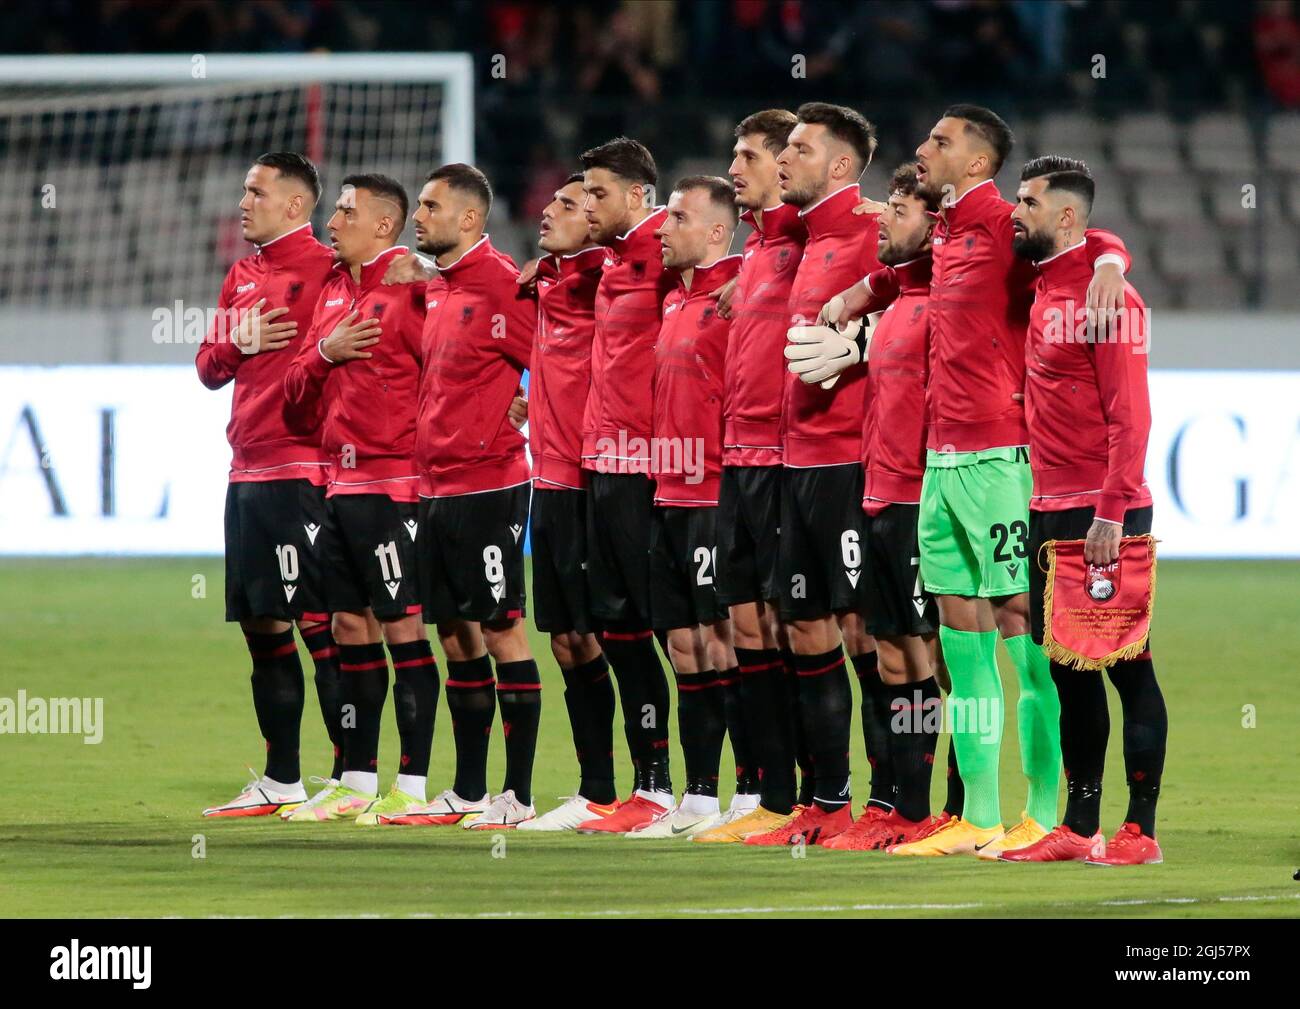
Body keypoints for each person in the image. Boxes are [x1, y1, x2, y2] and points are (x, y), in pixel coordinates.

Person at [998, 156, 1166, 866]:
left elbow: (1132, 416)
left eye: (1029, 202)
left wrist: (1110, 509)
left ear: (1066, 215)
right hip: (1047, 507)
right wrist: (1107, 252)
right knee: (1069, 671)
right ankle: (1081, 824)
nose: (1016, 211)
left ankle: (1142, 830)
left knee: (1130, 665)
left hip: (1102, 513)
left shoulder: (1111, 302)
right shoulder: (1046, 284)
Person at [380, 164, 542, 829]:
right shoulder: (439, 289)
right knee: (454, 633)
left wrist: (534, 405)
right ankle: (469, 789)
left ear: (469, 219)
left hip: (490, 485)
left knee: (503, 628)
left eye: (430, 206)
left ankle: (520, 795)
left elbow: (557, 356)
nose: (418, 217)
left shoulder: (502, 283)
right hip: (435, 487)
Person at [743, 103, 882, 848]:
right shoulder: (796, 236)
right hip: (792, 460)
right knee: (802, 627)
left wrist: (864, 340)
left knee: (870, 631)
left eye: (796, 148)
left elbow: (944, 284)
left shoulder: (870, 223)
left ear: (837, 164)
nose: (781, 158)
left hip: (852, 459)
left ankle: (893, 803)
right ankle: (826, 801)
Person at [280, 175, 435, 824]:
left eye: (347, 210)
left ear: (383, 225)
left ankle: (415, 785)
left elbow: (461, 356)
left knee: (404, 628)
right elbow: (293, 394)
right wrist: (323, 352)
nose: (333, 218)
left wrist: (426, 263)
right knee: (348, 628)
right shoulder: (332, 294)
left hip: (395, 488)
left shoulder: (415, 286)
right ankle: (354, 775)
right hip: (335, 488)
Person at [198, 153, 343, 819]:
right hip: (246, 469)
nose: (242, 201)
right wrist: (240, 340)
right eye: (243, 189)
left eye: (256, 191)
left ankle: (352, 777)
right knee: (261, 623)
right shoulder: (242, 274)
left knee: (320, 622)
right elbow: (207, 366)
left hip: (303, 468)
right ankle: (282, 778)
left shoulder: (328, 270)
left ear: (295, 205)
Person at [695, 109, 810, 845]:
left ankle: (822, 796)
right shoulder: (760, 251)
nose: (733, 169)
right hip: (736, 462)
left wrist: (1111, 255)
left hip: (787, 460)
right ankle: (772, 796)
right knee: (744, 628)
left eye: (747, 157)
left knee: (803, 628)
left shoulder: (824, 235)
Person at [628, 176, 745, 839]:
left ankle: (752, 788)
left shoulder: (737, 301)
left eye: (676, 217)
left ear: (716, 233)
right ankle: (699, 797)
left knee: (722, 642)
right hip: (667, 493)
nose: (662, 227)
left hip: (714, 494)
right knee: (684, 646)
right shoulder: (675, 300)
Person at [515, 174, 621, 831]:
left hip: (595, 479)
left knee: (610, 637)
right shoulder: (545, 280)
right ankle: (596, 790)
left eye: (568, 205)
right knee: (563, 639)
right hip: (546, 480)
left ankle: (654, 788)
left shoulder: (612, 274)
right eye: (549, 200)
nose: (547, 210)